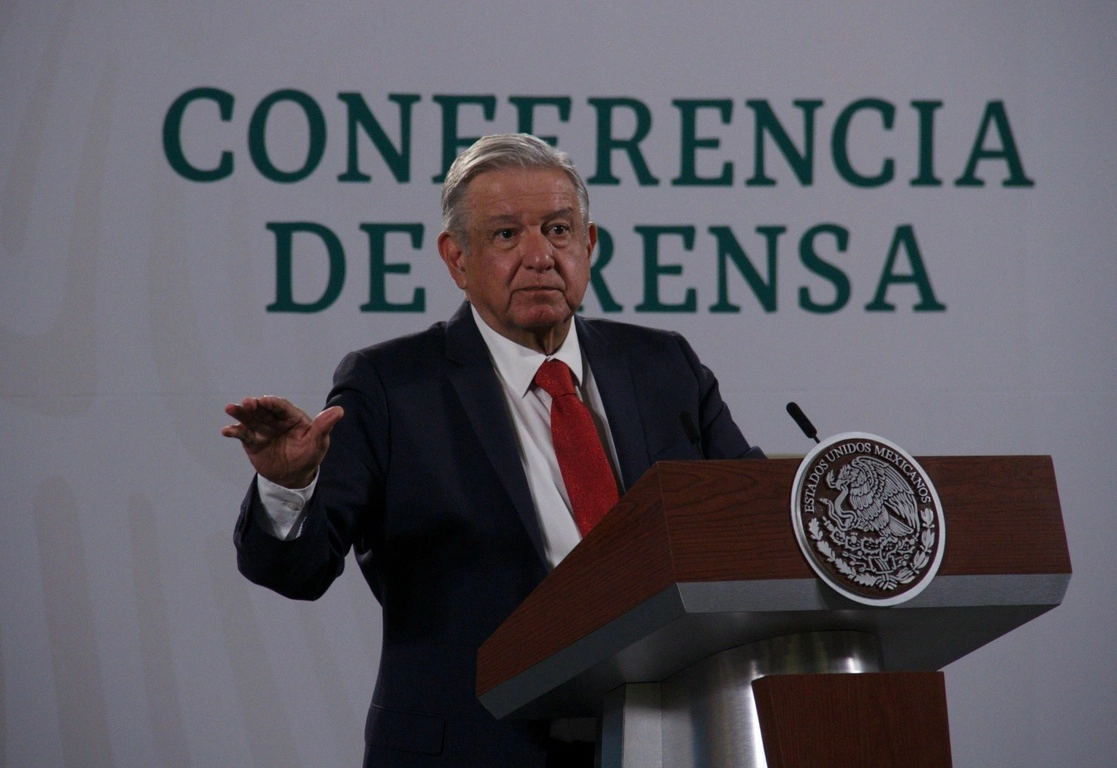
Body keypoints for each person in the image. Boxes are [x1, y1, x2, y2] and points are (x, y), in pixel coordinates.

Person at [222, 133, 763, 768]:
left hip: (667, 739)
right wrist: (289, 486)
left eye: (559, 230)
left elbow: (749, 529)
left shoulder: (663, 365)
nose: (540, 256)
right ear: (457, 258)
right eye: (507, 236)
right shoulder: (391, 387)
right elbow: (299, 571)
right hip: (473, 749)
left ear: (588, 247)